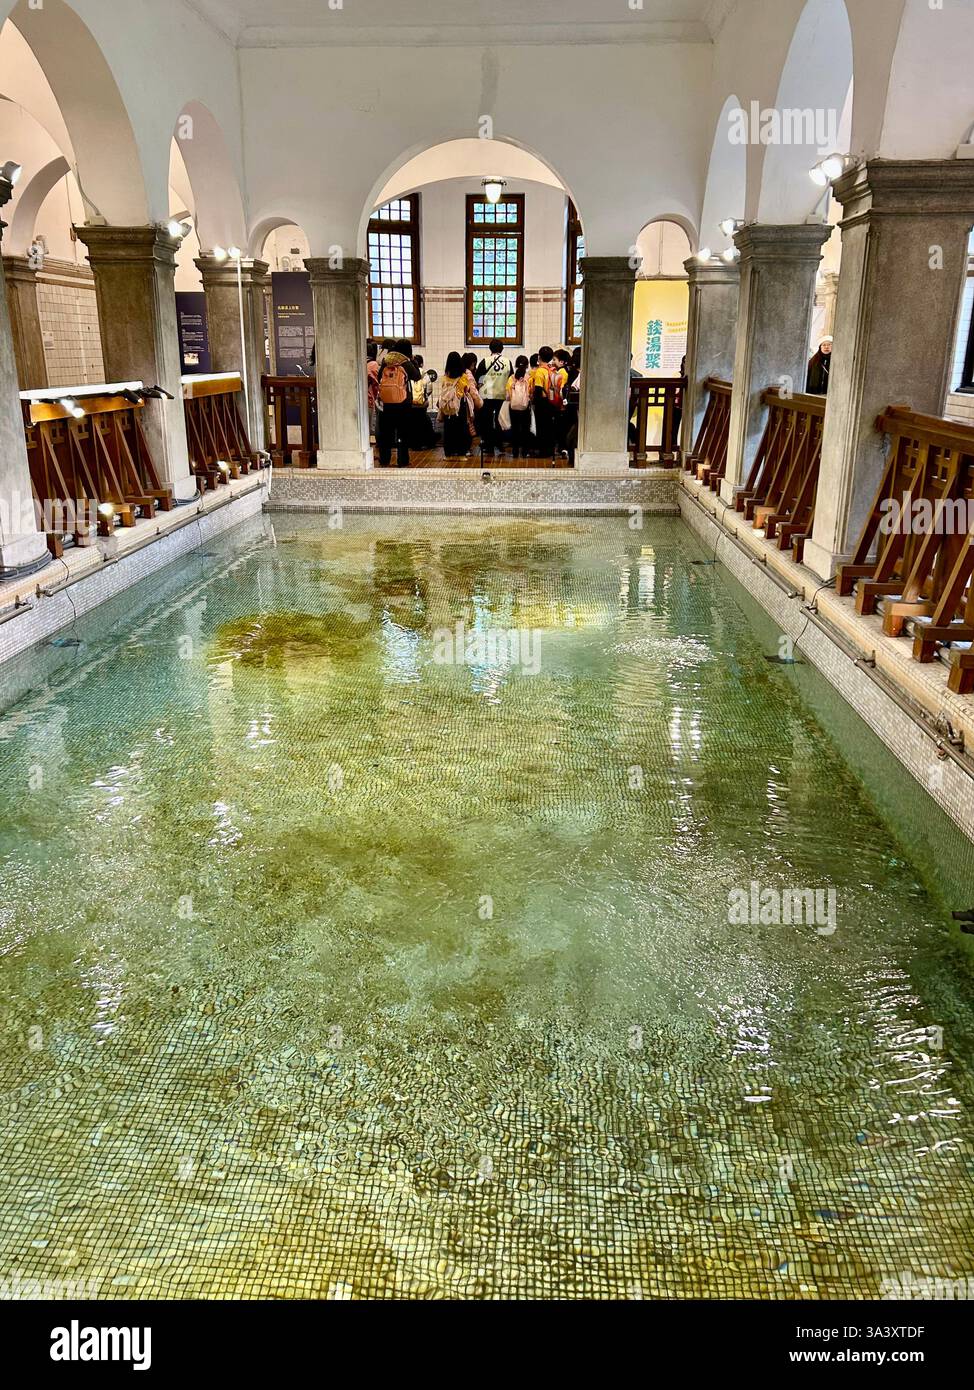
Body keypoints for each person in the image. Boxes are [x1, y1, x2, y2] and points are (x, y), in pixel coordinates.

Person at [376, 338, 420, 467]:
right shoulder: (405, 362)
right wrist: (413, 360)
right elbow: (417, 376)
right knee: (402, 433)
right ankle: (402, 460)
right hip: (402, 403)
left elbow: (379, 377)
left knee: (386, 433)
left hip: (386, 404)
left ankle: (384, 460)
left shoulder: (386, 360)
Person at [439, 351, 482, 458]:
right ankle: (461, 450)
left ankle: (449, 451)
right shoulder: (464, 376)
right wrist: (478, 402)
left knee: (448, 429)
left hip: (448, 406)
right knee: (462, 428)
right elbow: (468, 390)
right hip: (460, 406)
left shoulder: (445, 376)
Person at [476, 339, 513, 456]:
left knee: (486, 421)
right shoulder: (507, 362)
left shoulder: (485, 361)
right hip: (501, 395)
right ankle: (500, 444)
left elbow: (479, 378)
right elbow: (511, 378)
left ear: (490, 349)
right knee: (500, 420)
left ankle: (488, 446)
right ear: (502, 349)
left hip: (486, 395)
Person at [506, 356, 534, 459]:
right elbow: (531, 393)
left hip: (513, 407)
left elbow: (508, 396)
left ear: (516, 365)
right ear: (527, 365)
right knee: (526, 428)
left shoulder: (511, 378)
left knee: (515, 428)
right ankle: (525, 451)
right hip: (525, 406)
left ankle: (515, 451)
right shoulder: (529, 378)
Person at [409, 356, 436, 449]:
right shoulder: (424, 373)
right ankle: (427, 442)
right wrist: (424, 397)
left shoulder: (407, 371)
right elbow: (429, 389)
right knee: (424, 422)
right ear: (421, 363)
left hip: (410, 404)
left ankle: (414, 444)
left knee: (412, 424)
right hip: (421, 404)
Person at [531, 348, 554, 458]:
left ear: (539, 357)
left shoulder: (540, 371)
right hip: (550, 401)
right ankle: (549, 450)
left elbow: (538, 389)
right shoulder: (550, 369)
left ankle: (542, 452)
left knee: (541, 426)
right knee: (548, 427)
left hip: (542, 402)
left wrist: (535, 403)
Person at [549, 349, 572, 457]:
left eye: (555, 359)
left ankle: (563, 449)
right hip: (564, 405)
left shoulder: (562, 372)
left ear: (562, 362)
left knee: (561, 429)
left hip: (561, 405)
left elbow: (560, 389)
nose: (553, 362)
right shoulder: (566, 370)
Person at [366, 341, 380, 444]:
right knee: (368, 427)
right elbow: (376, 384)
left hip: (356, 398)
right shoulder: (373, 364)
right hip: (368, 398)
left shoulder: (359, 362)